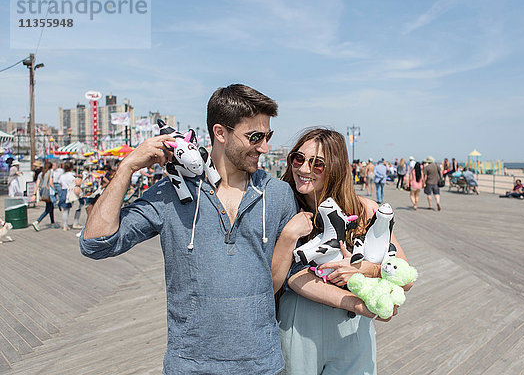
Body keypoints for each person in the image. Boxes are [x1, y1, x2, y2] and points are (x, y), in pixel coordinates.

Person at [80, 84, 297, 374]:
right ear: (220, 133)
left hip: (263, 364)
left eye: (268, 136)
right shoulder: (171, 193)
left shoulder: (279, 194)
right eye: (255, 137)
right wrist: (128, 166)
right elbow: (96, 243)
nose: (264, 147)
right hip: (191, 365)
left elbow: (295, 274)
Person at [276, 128, 412, 375]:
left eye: (318, 164)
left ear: (336, 168)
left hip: (353, 328)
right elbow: (292, 276)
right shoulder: (285, 209)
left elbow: (405, 274)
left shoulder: (365, 210)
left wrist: (365, 269)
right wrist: (357, 303)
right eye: (298, 158)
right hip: (300, 320)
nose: (304, 169)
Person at [32, 161, 60, 231]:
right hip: (49, 192)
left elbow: (37, 184)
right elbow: (51, 183)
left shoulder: (41, 174)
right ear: (50, 167)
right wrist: (55, 190)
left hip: (43, 192)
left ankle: (52, 222)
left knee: (51, 207)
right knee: (48, 209)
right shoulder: (50, 172)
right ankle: (37, 221)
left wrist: (34, 194)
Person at [58, 162, 77, 231]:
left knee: (64, 210)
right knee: (67, 210)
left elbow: (60, 183)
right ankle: (65, 226)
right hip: (69, 191)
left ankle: (64, 225)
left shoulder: (62, 175)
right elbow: (74, 183)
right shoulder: (72, 175)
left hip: (63, 191)